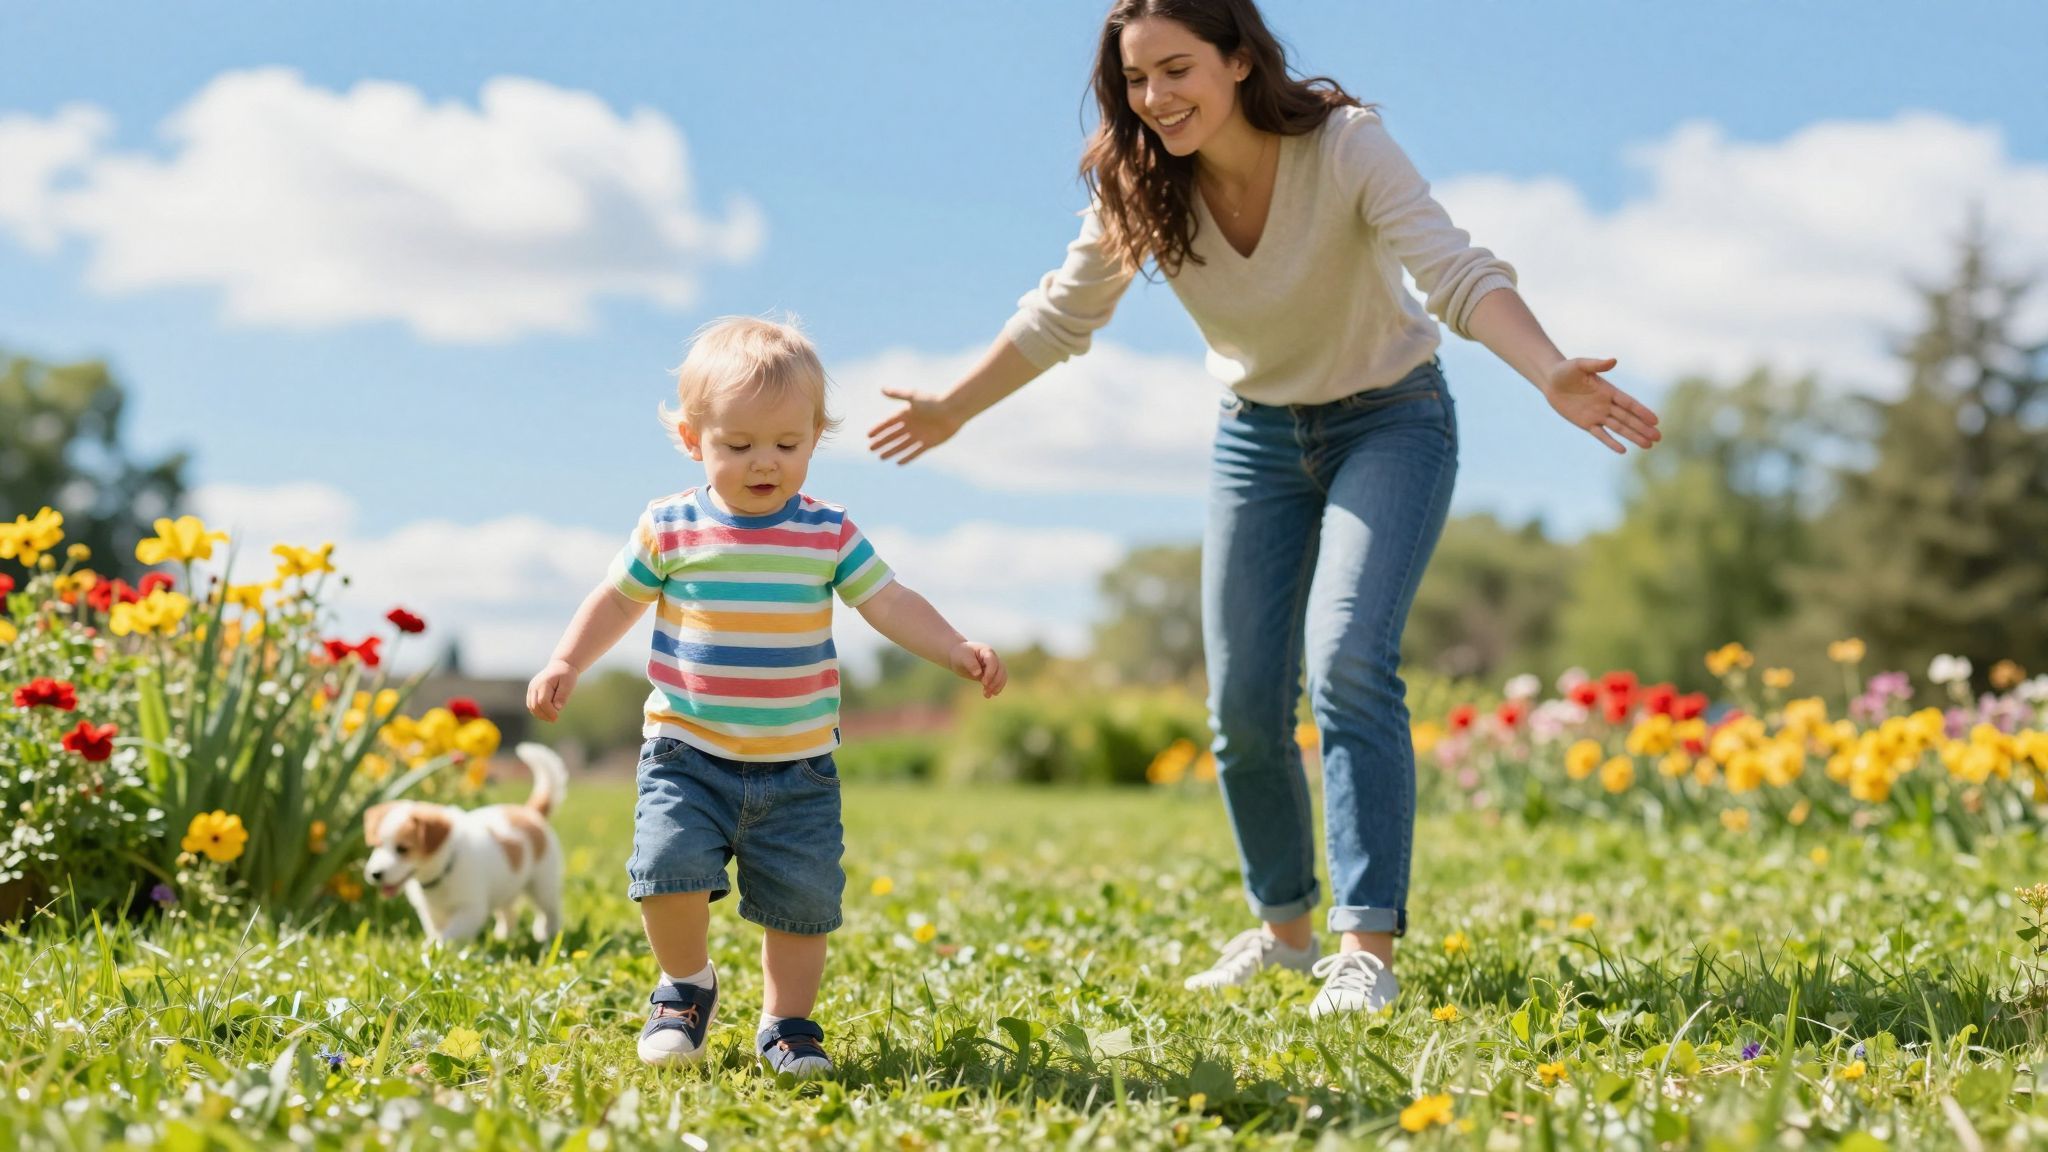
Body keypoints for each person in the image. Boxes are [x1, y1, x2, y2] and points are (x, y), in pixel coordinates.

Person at [867, 0, 1658, 1017]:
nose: (1155, 98)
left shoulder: (1344, 147)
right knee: (1242, 707)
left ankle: (1364, 949)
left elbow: (1452, 269)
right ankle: (1285, 935)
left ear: (1239, 60)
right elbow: (1063, 312)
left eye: (1177, 69)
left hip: (1391, 420)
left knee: (1347, 658)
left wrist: (1547, 369)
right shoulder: (1142, 184)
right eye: (1136, 80)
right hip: (1257, 437)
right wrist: (951, 408)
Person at [529, 316, 1007, 1073]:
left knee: (801, 903)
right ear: (694, 441)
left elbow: (888, 600)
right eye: (739, 445)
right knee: (666, 870)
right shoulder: (671, 526)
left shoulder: (827, 533)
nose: (765, 462)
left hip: (798, 767)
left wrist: (952, 646)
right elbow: (616, 599)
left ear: (815, 437)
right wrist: (567, 658)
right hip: (687, 751)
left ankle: (787, 1024)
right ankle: (686, 986)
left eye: (787, 445)